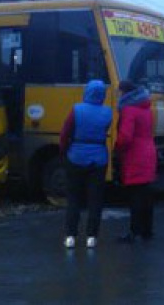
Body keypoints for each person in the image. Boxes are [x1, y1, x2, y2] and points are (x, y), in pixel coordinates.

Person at [59, 80, 112, 249]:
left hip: (76, 156)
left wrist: (65, 151)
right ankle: (91, 237)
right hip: (99, 159)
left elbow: (65, 132)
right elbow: (104, 131)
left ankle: (70, 237)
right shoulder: (107, 112)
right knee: (95, 199)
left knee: (74, 198)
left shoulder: (76, 110)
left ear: (86, 92)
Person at [115, 80, 157, 243]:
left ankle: (134, 232)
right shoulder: (146, 108)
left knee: (135, 196)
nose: (118, 95)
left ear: (125, 93)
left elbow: (125, 137)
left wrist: (116, 147)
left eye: (120, 92)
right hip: (148, 152)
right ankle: (147, 230)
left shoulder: (129, 110)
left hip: (135, 155)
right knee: (146, 194)